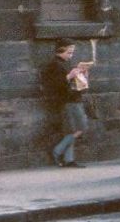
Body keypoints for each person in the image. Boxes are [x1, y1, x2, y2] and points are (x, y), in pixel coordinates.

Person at [41, 38, 89, 168]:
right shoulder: (54, 64)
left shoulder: (66, 63)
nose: (71, 55)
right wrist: (69, 76)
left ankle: (69, 159)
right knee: (81, 127)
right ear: (60, 50)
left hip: (73, 98)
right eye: (69, 52)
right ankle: (58, 150)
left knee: (71, 130)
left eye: (72, 52)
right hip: (67, 100)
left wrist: (82, 74)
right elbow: (53, 84)